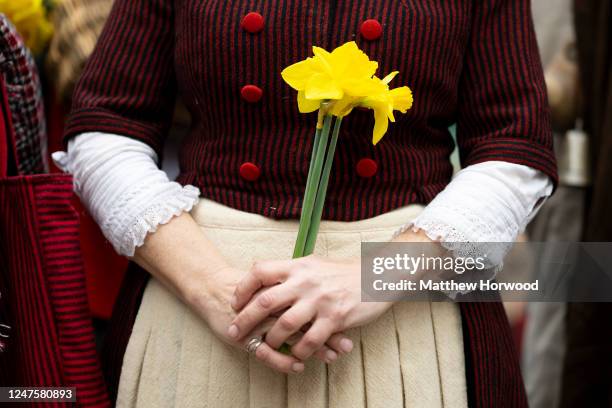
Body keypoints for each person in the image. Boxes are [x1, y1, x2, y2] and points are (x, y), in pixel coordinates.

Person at [53, 1, 557, 406]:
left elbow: (513, 145)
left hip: (405, 306)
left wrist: (370, 277)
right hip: (199, 299)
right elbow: (105, 127)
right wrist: (214, 289)